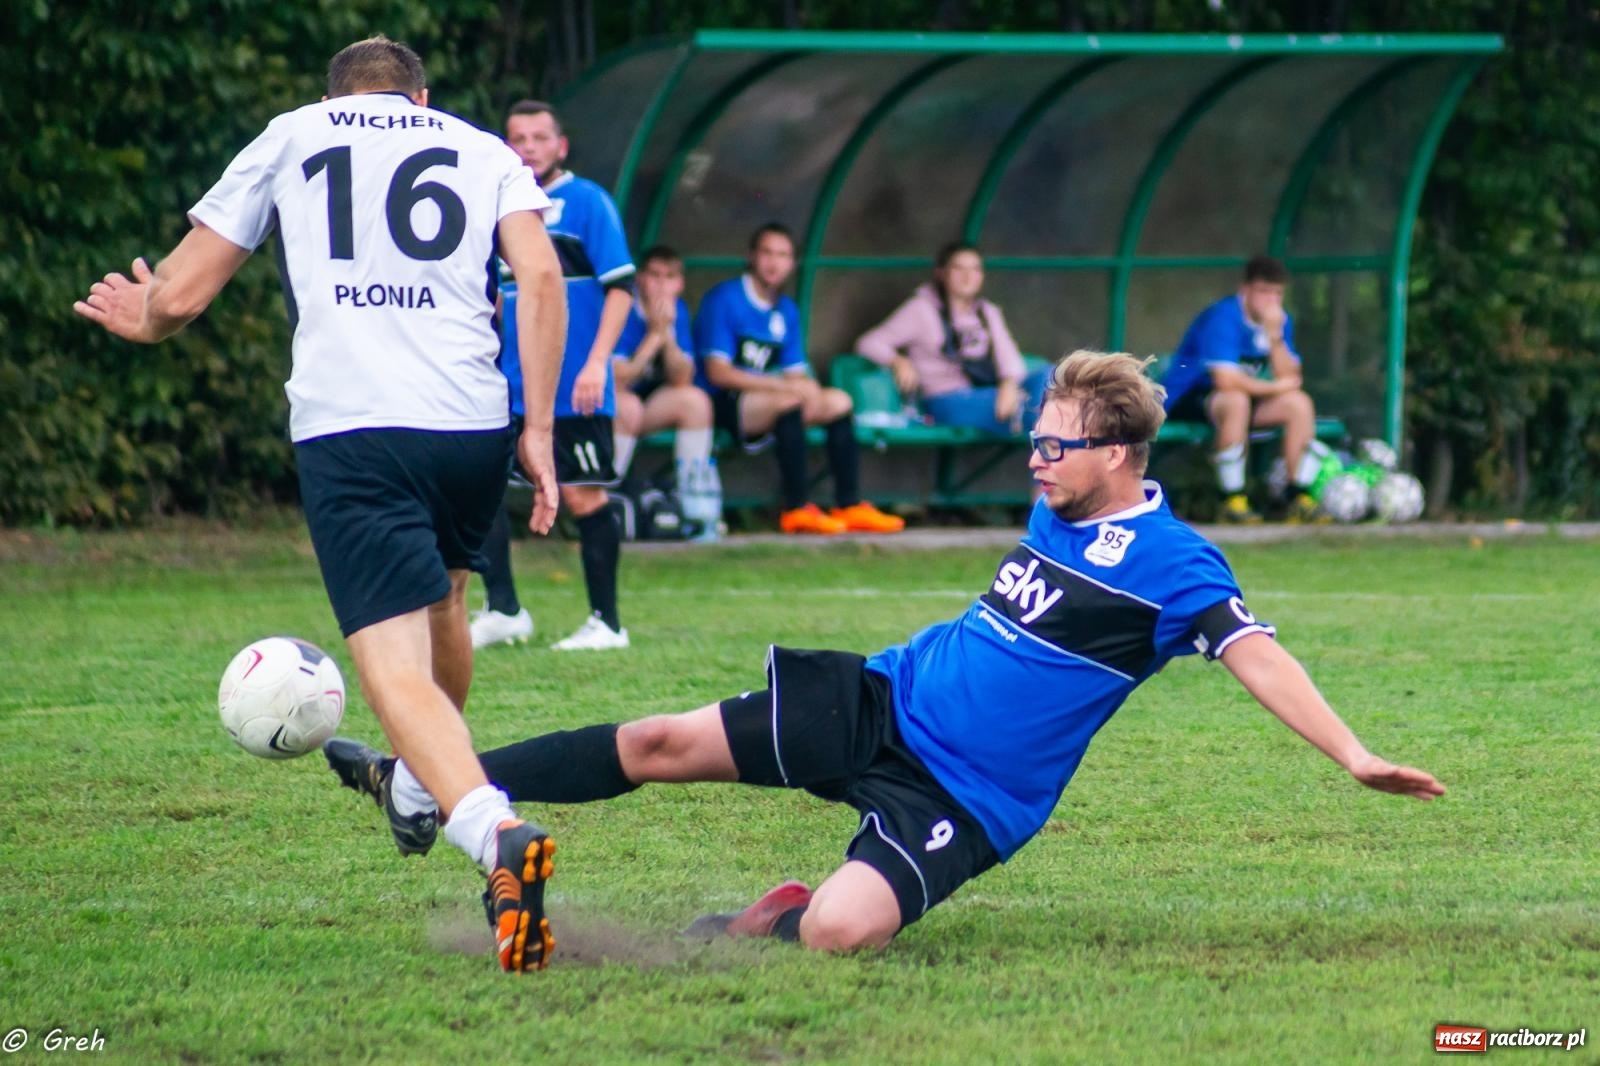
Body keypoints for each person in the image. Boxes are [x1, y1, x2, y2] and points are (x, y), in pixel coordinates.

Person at [325, 351, 1444, 954]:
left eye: (1055, 445)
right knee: (659, 740)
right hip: (883, 697)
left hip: (971, 794)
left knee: (837, 936)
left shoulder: (1178, 565)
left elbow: (1256, 656)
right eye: (1037, 438)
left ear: (1117, 455)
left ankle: (768, 918)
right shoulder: (1063, 503)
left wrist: (1352, 754)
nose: (1035, 461)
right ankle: (427, 777)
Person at [74, 36, 567, 973]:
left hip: (356, 429)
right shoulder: (482, 147)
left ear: (335, 95)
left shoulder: (294, 134)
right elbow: (540, 278)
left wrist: (146, 317)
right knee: (448, 603)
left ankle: (489, 830)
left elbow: (179, 291)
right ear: (419, 97)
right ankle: (419, 793)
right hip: (470, 421)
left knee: (389, 667)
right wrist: (538, 429)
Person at [471, 100, 636, 652]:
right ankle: (503, 609)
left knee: (583, 497)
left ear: (560, 146)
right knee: (480, 486)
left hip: (574, 385)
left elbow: (619, 287)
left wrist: (597, 363)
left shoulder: (587, 201)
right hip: (510, 381)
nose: (529, 147)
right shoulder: (499, 207)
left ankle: (607, 624)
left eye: (540, 137)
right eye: (518, 137)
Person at [692, 223, 904, 536]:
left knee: (838, 401)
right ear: (752, 256)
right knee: (789, 400)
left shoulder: (786, 310)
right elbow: (718, 372)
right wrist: (787, 387)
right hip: (723, 403)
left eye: (783, 255)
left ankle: (849, 504)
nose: (774, 262)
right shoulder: (726, 298)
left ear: (792, 263)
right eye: (767, 253)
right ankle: (795, 509)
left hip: (774, 400)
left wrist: (811, 391)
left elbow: (795, 371)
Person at [1161, 255, 1325, 524]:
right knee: (1235, 400)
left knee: (1298, 404)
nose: (1271, 300)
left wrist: (1275, 337)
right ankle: (1232, 499)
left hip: (1247, 400)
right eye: (1264, 291)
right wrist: (1276, 387)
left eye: (1277, 293)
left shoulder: (1279, 322)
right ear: (1245, 290)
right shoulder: (1223, 317)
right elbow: (1225, 380)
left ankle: (1296, 495)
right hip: (1192, 397)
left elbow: (1291, 377)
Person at [855, 242, 1048, 435]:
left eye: (975, 269)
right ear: (941, 273)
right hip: (948, 399)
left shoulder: (986, 311)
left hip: (992, 392)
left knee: (1054, 376)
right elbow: (869, 343)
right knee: (1034, 411)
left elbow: (1008, 356)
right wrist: (897, 361)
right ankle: (1049, 438)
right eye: (958, 268)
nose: (968, 276)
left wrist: (1009, 385)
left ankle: (1047, 431)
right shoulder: (921, 309)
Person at [610, 244, 718, 534]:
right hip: (611, 407)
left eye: (669, 277)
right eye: (654, 275)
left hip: (648, 407)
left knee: (695, 402)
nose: (661, 284)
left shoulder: (676, 311)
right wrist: (653, 339)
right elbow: (618, 379)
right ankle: (605, 500)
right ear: (640, 279)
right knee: (628, 404)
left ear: (679, 283)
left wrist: (667, 337)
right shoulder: (623, 307)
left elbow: (681, 379)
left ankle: (694, 505)